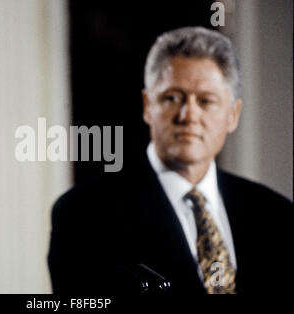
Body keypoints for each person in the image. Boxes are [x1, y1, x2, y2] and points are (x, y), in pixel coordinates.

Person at [48, 27, 292, 295]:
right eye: (172, 98)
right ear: (147, 105)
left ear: (233, 115)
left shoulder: (277, 215)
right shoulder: (83, 214)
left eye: (206, 101)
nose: (188, 115)